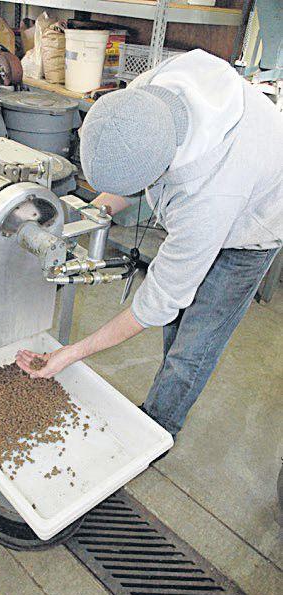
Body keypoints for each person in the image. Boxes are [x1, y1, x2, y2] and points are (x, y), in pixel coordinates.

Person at [16, 49, 282, 440]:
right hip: (227, 187)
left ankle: (158, 428)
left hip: (253, 228)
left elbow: (156, 303)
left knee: (193, 344)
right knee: (174, 326)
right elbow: (130, 173)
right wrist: (82, 219)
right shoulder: (147, 96)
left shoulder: (209, 198)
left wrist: (68, 354)